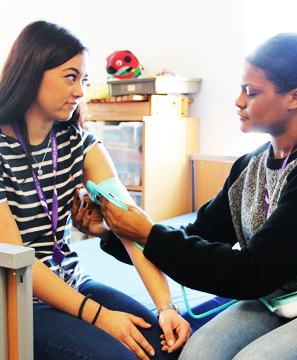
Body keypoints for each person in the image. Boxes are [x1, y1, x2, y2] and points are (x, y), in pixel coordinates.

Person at [0, 20, 191, 360]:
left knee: (165, 351)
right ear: (32, 73)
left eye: (84, 79)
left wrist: (166, 307)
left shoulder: (77, 143)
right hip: (9, 301)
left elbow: (131, 227)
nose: (81, 91)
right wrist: (103, 318)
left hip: (71, 283)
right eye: (70, 76)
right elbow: (18, 264)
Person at [97, 33, 297, 360]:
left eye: (251, 92)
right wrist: (114, 232)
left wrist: (147, 232)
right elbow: (194, 237)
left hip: (265, 287)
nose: (238, 101)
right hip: (273, 298)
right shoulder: (249, 167)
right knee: (198, 354)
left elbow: (251, 272)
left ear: (294, 97)